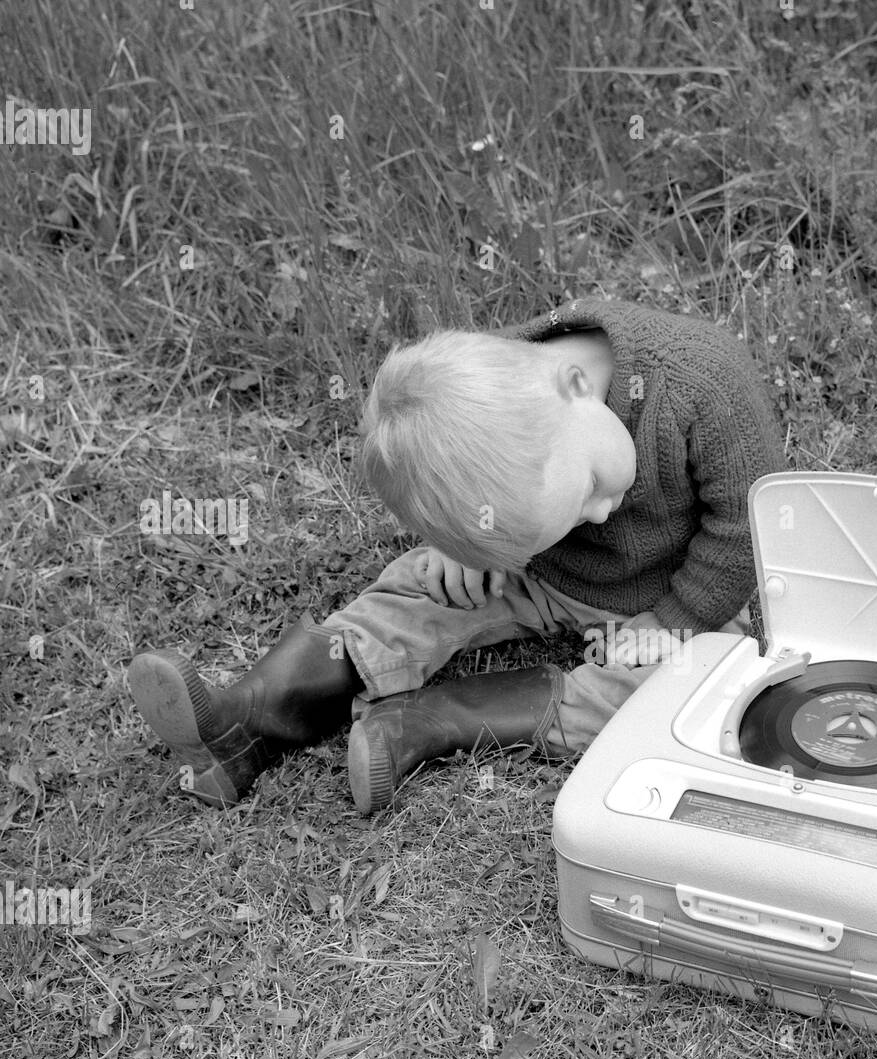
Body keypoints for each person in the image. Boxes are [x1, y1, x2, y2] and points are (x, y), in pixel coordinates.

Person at [128, 298, 788, 813]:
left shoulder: (704, 386)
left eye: (589, 486)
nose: (598, 512)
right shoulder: (491, 397)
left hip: (667, 596)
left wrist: (673, 620)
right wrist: (471, 549)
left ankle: (429, 722)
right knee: (422, 584)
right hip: (538, 576)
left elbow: (742, 532)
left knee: (693, 684)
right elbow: (468, 485)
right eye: (575, 505)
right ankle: (255, 711)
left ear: (576, 386)